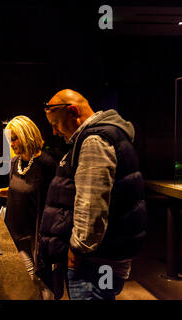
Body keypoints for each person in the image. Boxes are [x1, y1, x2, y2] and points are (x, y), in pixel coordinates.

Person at [37, 89, 147, 300]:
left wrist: (78, 250)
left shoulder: (94, 140)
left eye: (55, 124)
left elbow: (91, 203)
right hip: (101, 257)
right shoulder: (103, 136)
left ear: (73, 111)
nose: (54, 132)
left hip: (94, 261)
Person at [0, 115, 56, 293]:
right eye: (9, 140)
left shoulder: (47, 165)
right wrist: (0, 192)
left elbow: (51, 203)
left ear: (27, 136)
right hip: (15, 232)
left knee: (39, 284)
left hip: (35, 236)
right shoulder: (15, 163)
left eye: (14, 139)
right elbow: (21, 189)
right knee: (25, 284)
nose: (11, 144)